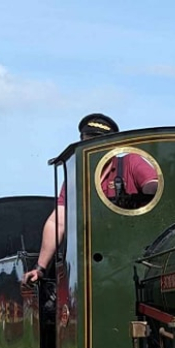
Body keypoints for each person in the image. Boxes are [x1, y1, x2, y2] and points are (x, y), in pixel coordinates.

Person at [22, 113, 119, 284]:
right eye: (88, 141)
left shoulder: (131, 164)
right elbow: (57, 222)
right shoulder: (76, 179)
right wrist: (40, 268)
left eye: (98, 142)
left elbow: (154, 186)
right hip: (90, 260)